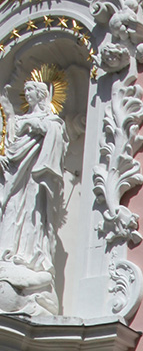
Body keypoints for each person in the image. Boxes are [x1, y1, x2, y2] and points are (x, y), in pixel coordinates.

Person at [0, 77, 66, 318]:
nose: (26, 94)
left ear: (40, 94)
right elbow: (9, 144)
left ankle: (27, 259)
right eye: (24, 90)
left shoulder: (50, 120)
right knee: (10, 212)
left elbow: (56, 135)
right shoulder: (20, 120)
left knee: (32, 218)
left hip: (35, 182)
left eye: (30, 90)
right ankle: (8, 256)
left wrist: (37, 128)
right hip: (14, 179)